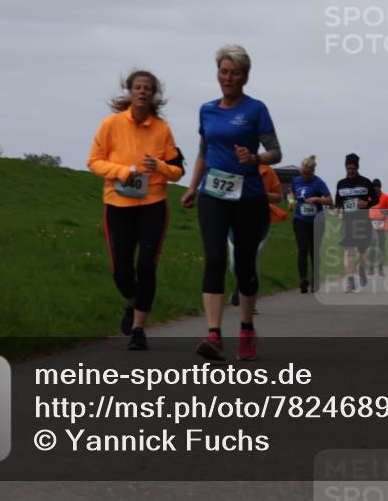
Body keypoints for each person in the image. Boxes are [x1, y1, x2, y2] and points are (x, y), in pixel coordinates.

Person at [181, 45, 281, 361]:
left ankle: (247, 327)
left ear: (244, 76)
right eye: (223, 71)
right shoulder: (207, 110)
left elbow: (276, 152)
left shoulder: (256, 109)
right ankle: (213, 334)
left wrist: (255, 158)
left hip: (249, 196)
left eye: (234, 72)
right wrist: (192, 186)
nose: (228, 77)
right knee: (213, 260)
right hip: (212, 195)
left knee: (245, 266)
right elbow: (203, 151)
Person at [88, 70, 185, 350]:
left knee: (146, 266)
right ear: (129, 92)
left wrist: (161, 167)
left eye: (147, 88)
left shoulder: (162, 129)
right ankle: (132, 303)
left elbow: (178, 172)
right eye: (137, 87)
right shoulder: (111, 124)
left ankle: (139, 330)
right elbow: (93, 162)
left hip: (153, 204)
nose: (142, 92)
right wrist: (121, 171)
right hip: (117, 204)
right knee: (121, 270)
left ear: (154, 95)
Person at [229, 164, 289, 306]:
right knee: (234, 263)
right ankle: (240, 285)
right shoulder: (233, 166)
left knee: (253, 261)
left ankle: (249, 300)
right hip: (235, 219)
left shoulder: (268, 171)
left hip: (260, 221)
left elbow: (278, 197)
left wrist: (262, 194)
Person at [334, 153, 378, 293]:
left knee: (361, 253)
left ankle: (361, 269)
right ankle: (350, 282)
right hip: (347, 221)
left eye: (353, 168)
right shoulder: (341, 184)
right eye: (348, 168)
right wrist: (337, 211)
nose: (350, 171)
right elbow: (338, 203)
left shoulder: (365, 182)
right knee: (348, 252)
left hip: (363, 221)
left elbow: (375, 199)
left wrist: (367, 203)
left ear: (357, 167)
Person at [290, 155, 332, 293]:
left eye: (308, 174)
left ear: (313, 172)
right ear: (301, 170)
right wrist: (291, 202)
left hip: (316, 221)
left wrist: (317, 198)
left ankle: (315, 279)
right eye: (303, 173)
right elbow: (291, 193)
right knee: (302, 249)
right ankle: (303, 279)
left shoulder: (318, 182)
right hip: (300, 219)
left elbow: (330, 200)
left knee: (314, 251)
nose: (305, 176)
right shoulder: (296, 181)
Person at [368, 179, 388, 276]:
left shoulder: (385, 197)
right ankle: (371, 268)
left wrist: (385, 212)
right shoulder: (369, 197)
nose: (375, 189)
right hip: (371, 223)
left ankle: (380, 268)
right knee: (372, 244)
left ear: (380, 187)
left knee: (381, 246)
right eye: (373, 187)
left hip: (383, 224)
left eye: (376, 187)